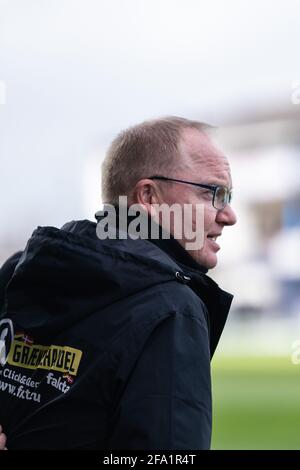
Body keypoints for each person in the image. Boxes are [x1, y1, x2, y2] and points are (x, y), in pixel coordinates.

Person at [0, 116, 236, 450]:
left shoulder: (20, 270)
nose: (228, 215)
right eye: (214, 193)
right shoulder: (171, 308)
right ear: (149, 197)